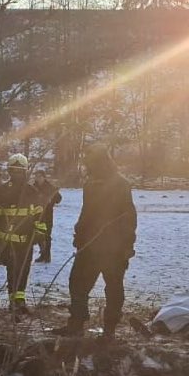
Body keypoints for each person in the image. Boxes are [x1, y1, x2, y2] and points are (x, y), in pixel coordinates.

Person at [58, 145, 136, 339]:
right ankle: (76, 324)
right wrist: (79, 234)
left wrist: (127, 246)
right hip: (89, 246)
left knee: (113, 287)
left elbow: (129, 218)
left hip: (114, 249)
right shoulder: (90, 184)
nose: (86, 167)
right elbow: (87, 214)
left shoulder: (121, 185)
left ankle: (109, 329)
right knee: (77, 284)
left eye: (89, 163)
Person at [0, 153, 45, 316]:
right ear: (9, 171)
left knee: (23, 270)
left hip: (27, 240)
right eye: (14, 171)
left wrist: (39, 234)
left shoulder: (32, 191)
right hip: (8, 240)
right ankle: (13, 302)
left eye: (19, 171)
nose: (16, 174)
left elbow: (40, 214)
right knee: (13, 270)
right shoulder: (2, 191)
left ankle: (20, 300)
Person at [32, 168, 62, 263]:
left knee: (47, 235)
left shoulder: (50, 187)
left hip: (47, 215)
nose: (38, 178)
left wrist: (51, 199)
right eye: (36, 176)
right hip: (36, 215)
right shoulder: (33, 187)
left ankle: (47, 256)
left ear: (44, 177)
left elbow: (58, 199)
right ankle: (43, 254)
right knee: (38, 235)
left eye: (40, 176)